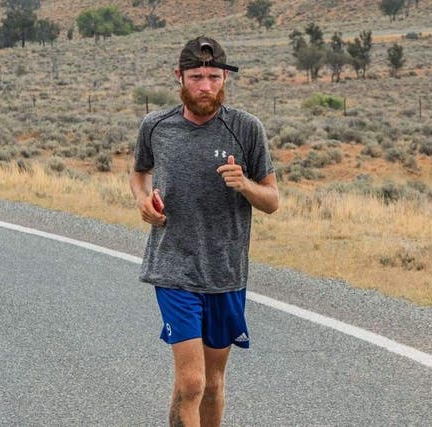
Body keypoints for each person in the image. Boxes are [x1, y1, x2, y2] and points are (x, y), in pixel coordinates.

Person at [129, 35, 279, 427]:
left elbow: (272, 200)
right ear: (179, 76)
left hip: (225, 271)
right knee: (192, 381)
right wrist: (142, 202)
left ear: (225, 78)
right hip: (174, 266)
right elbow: (138, 174)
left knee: (212, 384)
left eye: (214, 76)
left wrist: (244, 184)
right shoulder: (156, 126)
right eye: (196, 76)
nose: (205, 86)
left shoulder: (246, 129)